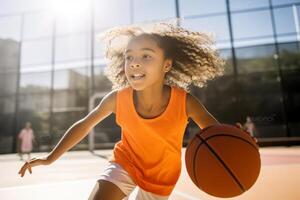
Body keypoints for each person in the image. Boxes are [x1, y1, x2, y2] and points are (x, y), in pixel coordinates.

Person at [18, 21, 258, 200]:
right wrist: (50, 158)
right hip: (126, 163)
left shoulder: (185, 102)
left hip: (162, 176)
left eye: (146, 56)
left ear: (167, 65)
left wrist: (237, 142)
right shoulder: (117, 99)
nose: (134, 62)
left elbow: (217, 134)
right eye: (129, 56)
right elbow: (84, 125)